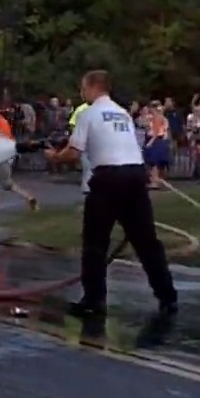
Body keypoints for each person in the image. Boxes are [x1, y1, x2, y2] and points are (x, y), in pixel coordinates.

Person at [45, 71, 178, 319]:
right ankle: (167, 296)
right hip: (135, 176)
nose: (81, 93)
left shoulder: (88, 113)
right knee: (146, 241)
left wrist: (54, 156)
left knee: (95, 242)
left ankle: (94, 301)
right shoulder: (123, 113)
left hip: (108, 178)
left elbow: (73, 153)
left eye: (82, 88)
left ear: (92, 87)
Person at [0, 107, 39, 212]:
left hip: (2, 158)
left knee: (5, 184)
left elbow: (1, 141)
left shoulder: (1, 122)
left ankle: (29, 198)